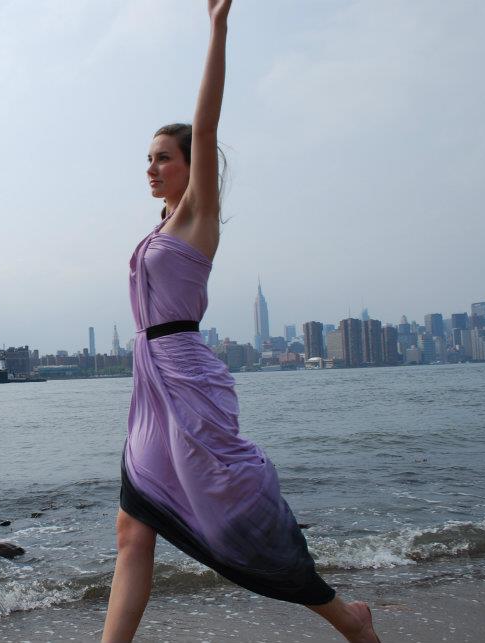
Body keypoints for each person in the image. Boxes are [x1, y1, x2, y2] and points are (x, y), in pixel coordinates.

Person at [101, 2, 380, 642]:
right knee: (132, 529)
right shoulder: (159, 229)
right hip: (151, 388)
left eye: (163, 158)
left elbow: (207, 122)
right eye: (148, 159)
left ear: (190, 165)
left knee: (235, 518)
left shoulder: (199, 217)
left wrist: (217, 28)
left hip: (186, 378)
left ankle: (347, 616)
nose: (151, 168)